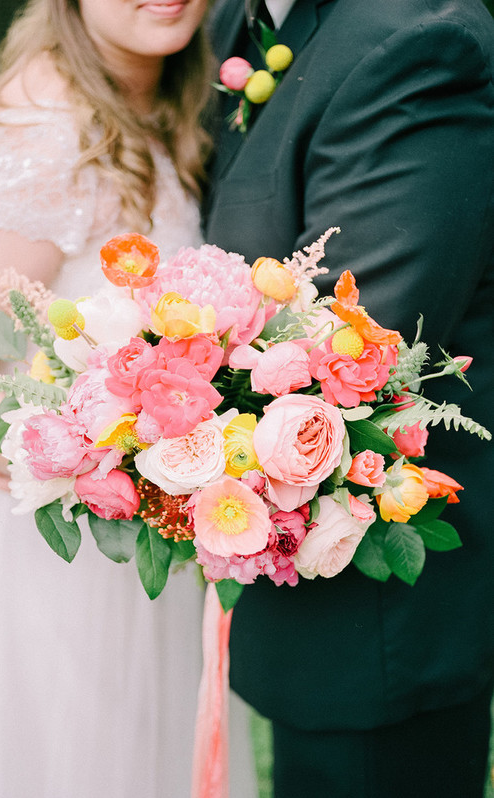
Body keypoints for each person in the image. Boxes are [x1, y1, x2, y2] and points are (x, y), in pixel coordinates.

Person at [0, 1, 256, 796]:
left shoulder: (164, 99)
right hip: (48, 557)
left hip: (141, 543)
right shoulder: (43, 129)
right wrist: (74, 452)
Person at [205, 0, 494, 795]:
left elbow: (354, 351)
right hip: (297, 600)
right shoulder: (240, 17)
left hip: (382, 624)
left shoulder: (416, 39)